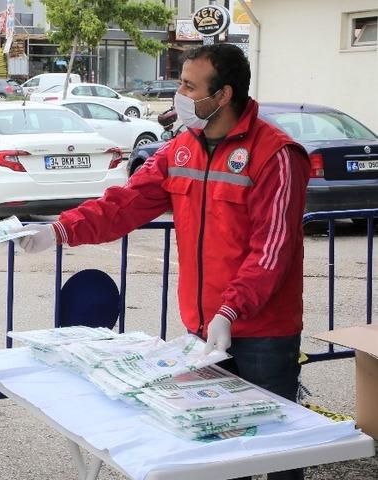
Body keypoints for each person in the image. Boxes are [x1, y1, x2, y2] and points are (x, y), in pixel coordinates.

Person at [18, 44, 309, 480]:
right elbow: (125, 204)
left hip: (262, 332)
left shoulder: (276, 154)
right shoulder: (180, 149)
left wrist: (230, 312)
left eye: (189, 86)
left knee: (274, 451)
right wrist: (58, 230)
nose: (180, 94)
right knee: (215, 449)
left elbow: (272, 250)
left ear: (223, 95)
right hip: (202, 328)